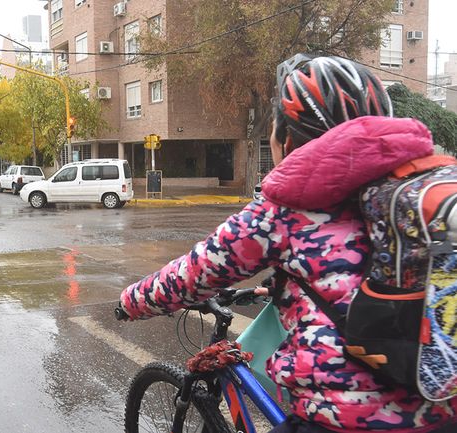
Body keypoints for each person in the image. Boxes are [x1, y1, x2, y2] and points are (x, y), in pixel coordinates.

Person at [118, 54, 457, 433]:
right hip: (442, 409)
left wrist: (129, 302)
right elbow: (368, 276)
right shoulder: (412, 196)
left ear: (288, 139)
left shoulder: (286, 209)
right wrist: (283, 285)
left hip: (345, 418)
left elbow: (194, 274)